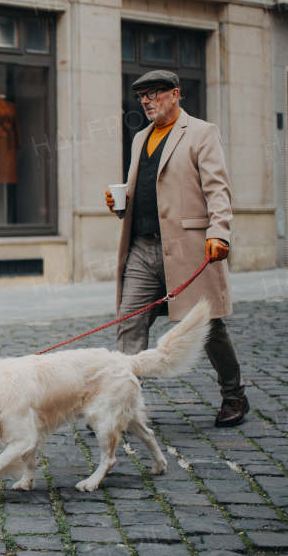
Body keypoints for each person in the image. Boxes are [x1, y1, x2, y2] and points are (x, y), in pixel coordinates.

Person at [105, 70, 248, 427]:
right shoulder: (141, 138)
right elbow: (150, 190)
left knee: (208, 326)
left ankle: (234, 395)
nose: (147, 101)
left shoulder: (201, 132)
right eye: (141, 95)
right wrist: (120, 204)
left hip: (190, 248)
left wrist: (220, 232)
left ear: (175, 94)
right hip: (142, 247)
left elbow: (218, 189)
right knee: (129, 323)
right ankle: (121, 409)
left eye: (154, 93)